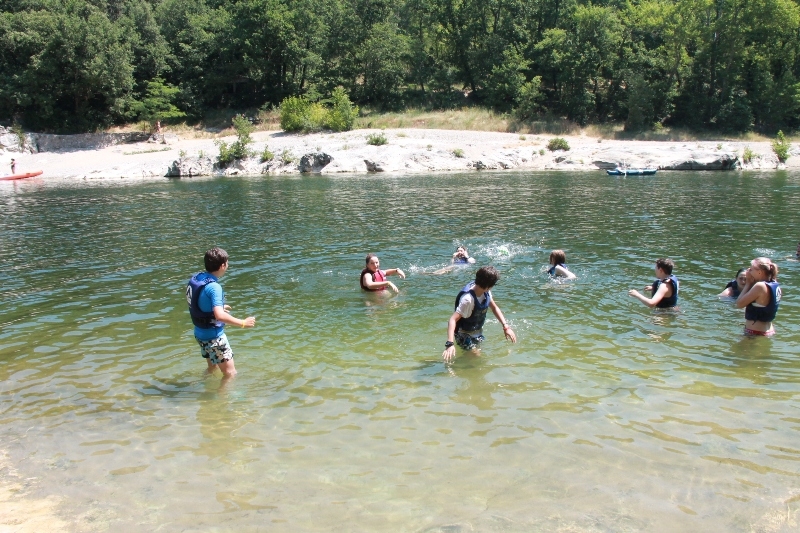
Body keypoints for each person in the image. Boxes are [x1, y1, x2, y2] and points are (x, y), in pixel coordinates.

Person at [186, 247, 255, 380]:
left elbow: (198, 301)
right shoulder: (214, 287)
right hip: (214, 338)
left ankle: (203, 386)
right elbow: (220, 316)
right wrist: (243, 323)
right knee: (230, 374)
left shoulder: (198, 278)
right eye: (227, 263)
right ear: (223, 265)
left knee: (213, 367)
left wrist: (219, 306)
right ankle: (220, 399)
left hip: (200, 334)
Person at [442, 266, 517, 362]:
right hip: (463, 334)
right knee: (477, 356)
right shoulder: (468, 300)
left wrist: (506, 327)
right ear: (488, 286)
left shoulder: (486, 292)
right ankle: (455, 369)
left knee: (475, 357)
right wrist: (450, 343)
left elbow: (494, 307)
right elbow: (452, 320)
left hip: (477, 332)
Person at [736, 257, 781, 336]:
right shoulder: (774, 283)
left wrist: (748, 283)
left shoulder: (760, 286)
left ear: (759, 272)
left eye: (751, 269)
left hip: (756, 333)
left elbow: (739, 304)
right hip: (768, 330)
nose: (748, 270)